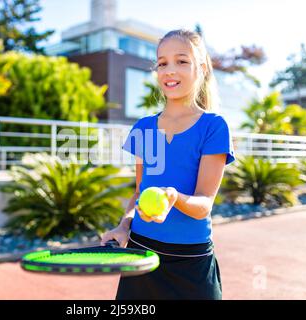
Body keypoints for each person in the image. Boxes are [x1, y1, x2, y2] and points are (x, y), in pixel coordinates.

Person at [100, 29, 235, 300]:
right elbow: (139, 193)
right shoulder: (143, 128)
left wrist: (174, 197)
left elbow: (204, 203)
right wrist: (124, 225)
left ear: (202, 67)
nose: (169, 70)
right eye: (162, 63)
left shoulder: (214, 127)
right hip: (141, 257)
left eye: (181, 61)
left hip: (191, 263)